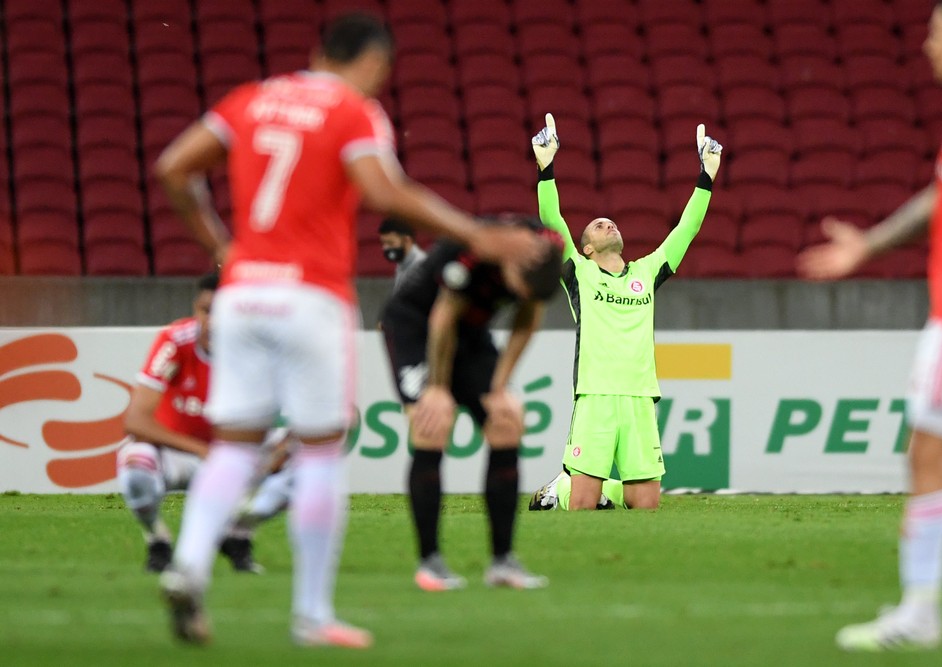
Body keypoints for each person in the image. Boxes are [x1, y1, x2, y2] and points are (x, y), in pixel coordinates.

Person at [152, 13, 545, 648]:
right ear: (376, 63)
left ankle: (189, 566)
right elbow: (382, 190)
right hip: (311, 295)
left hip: (244, 290)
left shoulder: (250, 100)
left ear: (316, 50)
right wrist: (473, 232)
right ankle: (312, 615)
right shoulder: (354, 109)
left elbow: (173, 168)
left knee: (234, 445)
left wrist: (224, 248)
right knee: (319, 452)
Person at [797, 0, 942, 652]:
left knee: (928, 452)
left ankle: (919, 612)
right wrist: (871, 245)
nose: (925, 45)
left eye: (937, 32)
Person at [527, 113, 723, 511]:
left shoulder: (648, 271)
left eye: (610, 223)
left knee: (644, 505)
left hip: (640, 395)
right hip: (595, 394)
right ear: (586, 248)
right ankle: (558, 489)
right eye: (598, 226)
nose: (607, 224)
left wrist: (707, 177)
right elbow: (552, 221)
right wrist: (546, 170)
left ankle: (603, 491)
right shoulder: (579, 273)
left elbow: (687, 229)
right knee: (579, 505)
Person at [381, 214, 564, 591]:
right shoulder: (473, 253)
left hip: (472, 333)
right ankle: (430, 562)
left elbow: (527, 320)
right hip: (417, 326)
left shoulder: (545, 253)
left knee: (507, 418)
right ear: (508, 264)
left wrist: (499, 387)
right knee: (434, 422)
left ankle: (503, 563)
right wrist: (437, 387)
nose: (519, 297)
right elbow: (443, 318)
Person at [117, 272, 276, 574]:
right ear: (195, 310)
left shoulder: (260, 349)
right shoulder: (175, 342)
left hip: (231, 458)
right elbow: (135, 422)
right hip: (177, 455)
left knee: (302, 464)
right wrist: (201, 451)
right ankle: (157, 540)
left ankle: (238, 536)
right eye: (206, 311)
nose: (213, 322)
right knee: (135, 463)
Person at [378, 217, 426, 288]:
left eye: (390, 243)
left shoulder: (420, 265)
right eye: (384, 243)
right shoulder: (402, 262)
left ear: (407, 240)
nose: (385, 248)